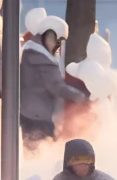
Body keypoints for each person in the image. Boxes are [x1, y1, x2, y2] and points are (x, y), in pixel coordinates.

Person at [20, 15, 88, 149]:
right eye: (57, 40)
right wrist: (79, 96)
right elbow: (56, 86)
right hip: (38, 116)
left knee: (36, 151)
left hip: (33, 113)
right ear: (48, 35)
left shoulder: (33, 54)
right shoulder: (40, 58)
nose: (57, 46)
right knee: (39, 152)